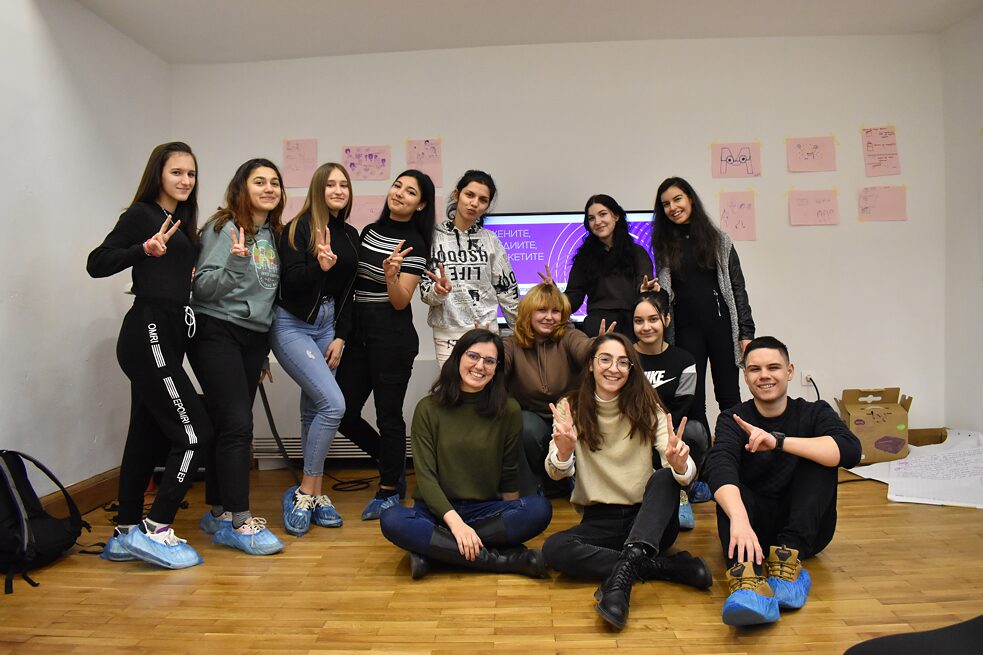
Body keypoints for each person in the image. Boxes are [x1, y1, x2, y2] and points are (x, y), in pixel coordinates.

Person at [86, 141, 213, 569]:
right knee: (195, 432)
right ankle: (157, 528)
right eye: (177, 172)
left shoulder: (181, 223)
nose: (185, 180)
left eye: (191, 174)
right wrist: (143, 249)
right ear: (158, 173)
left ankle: (125, 532)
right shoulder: (142, 215)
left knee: (145, 435)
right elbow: (97, 262)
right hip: (148, 331)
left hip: (168, 336)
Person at [541, 333, 712, 631]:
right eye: (605, 360)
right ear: (591, 364)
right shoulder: (570, 405)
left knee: (665, 477)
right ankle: (659, 566)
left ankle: (621, 582)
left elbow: (680, 468)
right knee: (554, 549)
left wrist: (680, 464)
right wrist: (564, 452)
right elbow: (555, 471)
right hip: (599, 521)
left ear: (631, 369)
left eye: (623, 362)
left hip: (649, 521)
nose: (614, 368)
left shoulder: (647, 404)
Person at [703, 336, 861, 627]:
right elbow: (719, 467)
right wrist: (739, 518)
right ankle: (747, 581)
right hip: (751, 531)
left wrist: (779, 442)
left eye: (773, 367)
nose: (764, 375)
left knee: (821, 456)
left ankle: (787, 563)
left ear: (789, 371)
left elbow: (851, 450)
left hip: (805, 531)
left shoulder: (814, 412)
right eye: (755, 369)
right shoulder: (732, 418)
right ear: (746, 376)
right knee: (729, 489)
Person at [379, 329, 553, 579]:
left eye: (489, 361)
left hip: (485, 511)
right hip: (436, 512)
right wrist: (458, 526)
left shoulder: (509, 410)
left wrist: (514, 515)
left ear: (497, 369)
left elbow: (508, 473)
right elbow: (426, 479)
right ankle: (504, 560)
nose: (480, 366)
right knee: (391, 517)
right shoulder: (428, 408)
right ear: (458, 357)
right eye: (473, 356)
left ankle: (436, 553)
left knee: (539, 509)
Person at [188, 158, 285, 555]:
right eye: (259, 181)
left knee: (227, 423)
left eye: (275, 182)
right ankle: (239, 522)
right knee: (237, 425)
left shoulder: (273, 234)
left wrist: (262, 355)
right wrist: (236, 263)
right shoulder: (223, 227)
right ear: (241, 187)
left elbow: (267, 296)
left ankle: (218, 511)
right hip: (217, 331)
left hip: (253, 338)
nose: (269, 188)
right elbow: (203, 289)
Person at [336, 170, 435, 520]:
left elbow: (400, 300)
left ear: (420, 204)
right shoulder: (369, 231)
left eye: (410, 192)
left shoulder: (416, 243)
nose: (400, 193)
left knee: (388, 415)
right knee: (342, 412)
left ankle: (389, 489)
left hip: (392, 339)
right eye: (398, 186)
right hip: (359, 336)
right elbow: (352, 286)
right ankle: (391, 462)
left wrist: (392, 276)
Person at [271, 162, 359, 536]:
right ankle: (306, 492)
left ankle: (316, 494)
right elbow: (289, 283)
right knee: (333, 405)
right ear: (318, 188)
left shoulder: (350, 234)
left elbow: (350, 292)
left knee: (314, 410)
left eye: (344, 185)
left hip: (328, 326)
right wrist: (319, 268)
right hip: (292, 324)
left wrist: (341, 336)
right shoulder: (298, 228)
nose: (338, 190)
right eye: (331, 184)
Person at [652, 177, 754, 433]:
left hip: (721, 327)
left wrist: (746, 333)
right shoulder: (663, 246)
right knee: (693, 401)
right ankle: (701, 454)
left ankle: (732, 449)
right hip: (686, 331)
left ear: (690, 199)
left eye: (677, 199)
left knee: (729, 397)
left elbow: (738, 288)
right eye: (666, 204)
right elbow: (665, 294)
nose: (673, 207)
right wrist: (655, 295)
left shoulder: (719, 240)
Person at [420, 170, 519, 366]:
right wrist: (438, 292)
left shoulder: (491, 240)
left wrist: (522, 332)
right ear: (457, 195)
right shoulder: (432, 237)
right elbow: (425, 294)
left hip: (485, 332)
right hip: (447, 334)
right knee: (452, 385)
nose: (474, 203)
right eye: (469, 195)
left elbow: (507, 291)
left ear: (487, 206)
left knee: (484, 383)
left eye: (483, 200)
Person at [503, 281, 592, 496]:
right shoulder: (512, 343)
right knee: (525, 427)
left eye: (555, 311)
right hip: (532, 419)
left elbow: (584, 348)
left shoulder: (570, 336)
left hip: (570, 417)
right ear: (528, 313)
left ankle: (570, 479)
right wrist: (483, 349)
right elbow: (498, 362)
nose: (549, 317)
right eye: (542, 310)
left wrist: (599, 346)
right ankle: (535, 488)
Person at [632, 291, 710, 530]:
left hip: (668, 431)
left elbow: (683, 406)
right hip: (631, 430)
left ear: (666, 319)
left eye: (653, 319)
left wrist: (658, 433)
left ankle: (682, 491)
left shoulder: (685, 360)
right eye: (639, 321)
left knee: (695, 431)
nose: (646, 327)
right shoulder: (625, 357)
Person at [564, 194, 654, 338]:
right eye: (591, 218)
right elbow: (574, 297)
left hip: (633, 324)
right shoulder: (584, 257)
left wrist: (644, 290)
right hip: (598, 325)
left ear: (616, 216)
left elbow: (644, 283)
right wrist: (553, 296)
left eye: (603, 214)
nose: (597, 222)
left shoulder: (637, 252)